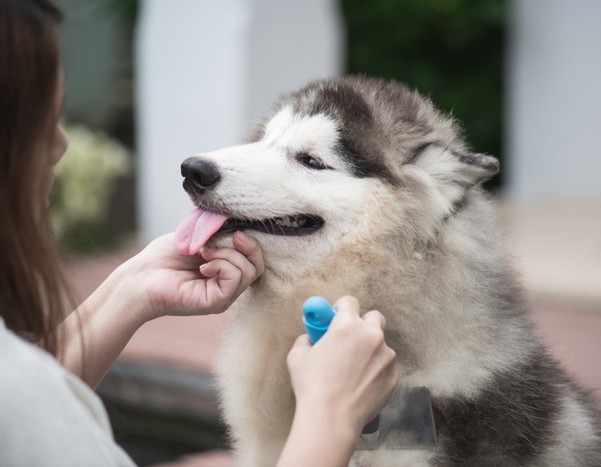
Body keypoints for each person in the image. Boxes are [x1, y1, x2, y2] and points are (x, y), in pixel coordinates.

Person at [0, 1, 398, 466]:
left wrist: (131, 290)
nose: (60, 145)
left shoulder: (20, 386)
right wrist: (331, 416)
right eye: (39, 122)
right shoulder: (19, 391)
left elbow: (33, 402)